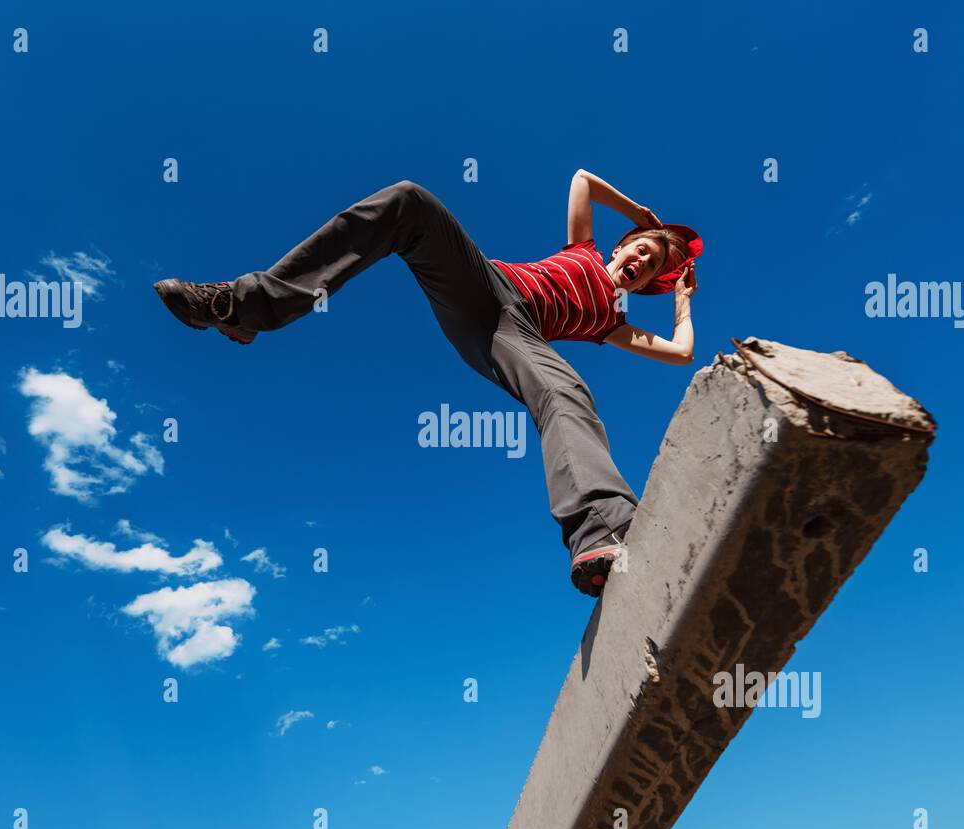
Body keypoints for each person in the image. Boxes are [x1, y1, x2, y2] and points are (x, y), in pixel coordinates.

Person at [152, 170, 703, 596]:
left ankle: (601, 531)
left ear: (648, 283)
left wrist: (681, 301)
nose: (640, 261)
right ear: (621, 244)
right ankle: (243, 308)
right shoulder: (580, 248)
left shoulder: (610, 324)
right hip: (481, 282)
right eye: (640, 249)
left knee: (566, 392)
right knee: (409, 201)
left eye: (650, 266)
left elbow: (680, 354)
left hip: (511, 333)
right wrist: (641, 213)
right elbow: (582, 178)